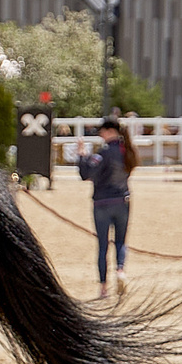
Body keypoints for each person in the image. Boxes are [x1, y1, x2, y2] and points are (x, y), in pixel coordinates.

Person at [74, 117, 134, 301]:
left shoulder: (104, 152)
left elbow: (86, 173)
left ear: (109, 131)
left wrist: (81, 155)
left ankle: (103, 288)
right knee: (121, 242)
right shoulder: (127, 152)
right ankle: (121, 270)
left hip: (102, 202)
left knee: (102, 246)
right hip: (122, 199)